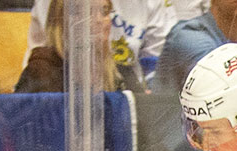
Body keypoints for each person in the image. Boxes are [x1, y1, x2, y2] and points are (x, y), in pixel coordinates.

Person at [24, 0, 175, 88]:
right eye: (84, 12)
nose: (97, 20)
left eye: (104, 12)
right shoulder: (42, 70)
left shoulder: (121, 72)